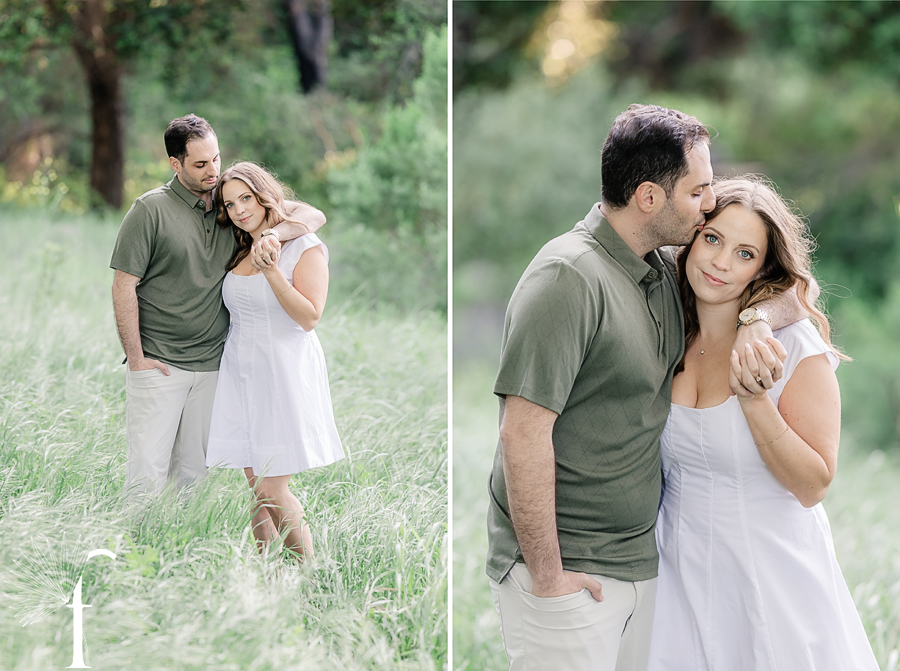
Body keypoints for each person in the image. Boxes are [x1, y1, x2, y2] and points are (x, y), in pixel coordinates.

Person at [486, 104, 810, 671]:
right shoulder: (568, 277)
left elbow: (785, 288)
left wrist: (756, 321)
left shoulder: (662, 269)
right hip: (570, 573)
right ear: (649, 198)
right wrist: (548, 576)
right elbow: (521, 433)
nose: (709, 202)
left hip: (643, 567)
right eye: (699, 190)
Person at [647, 177, 878, 671]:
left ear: (763, 267)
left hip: (770, 580)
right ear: (692, 236)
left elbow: (814, 484)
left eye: (745, 253)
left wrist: (754, 401)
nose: (720, 262)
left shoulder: (794, 348)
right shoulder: (668, 329)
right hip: (678, 582)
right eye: (712, 239)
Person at [110, 114, 325, 495]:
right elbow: (124, 286)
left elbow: (312, 215)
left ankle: (181, 552)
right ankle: (139, 554)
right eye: (200, 164)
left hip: (213, 366)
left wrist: (273, 234)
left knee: (192, 476)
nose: (212, 171)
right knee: (146, 475)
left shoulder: (231, 208)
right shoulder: (149, 210)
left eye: (216, 159)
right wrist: (137, 358)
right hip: (160, 363)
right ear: (175, 164)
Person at [205, 162, 344, 561]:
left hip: (281, 371)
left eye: (245, 198)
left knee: (271, 487)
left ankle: (309, 574)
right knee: (256, 487)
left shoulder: (305, 247)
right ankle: (266, 574)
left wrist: (272, 274)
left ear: (264, 195)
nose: (239, 210)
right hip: (240, 372)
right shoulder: (240, 245)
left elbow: (309, 317)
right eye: (230, 204)